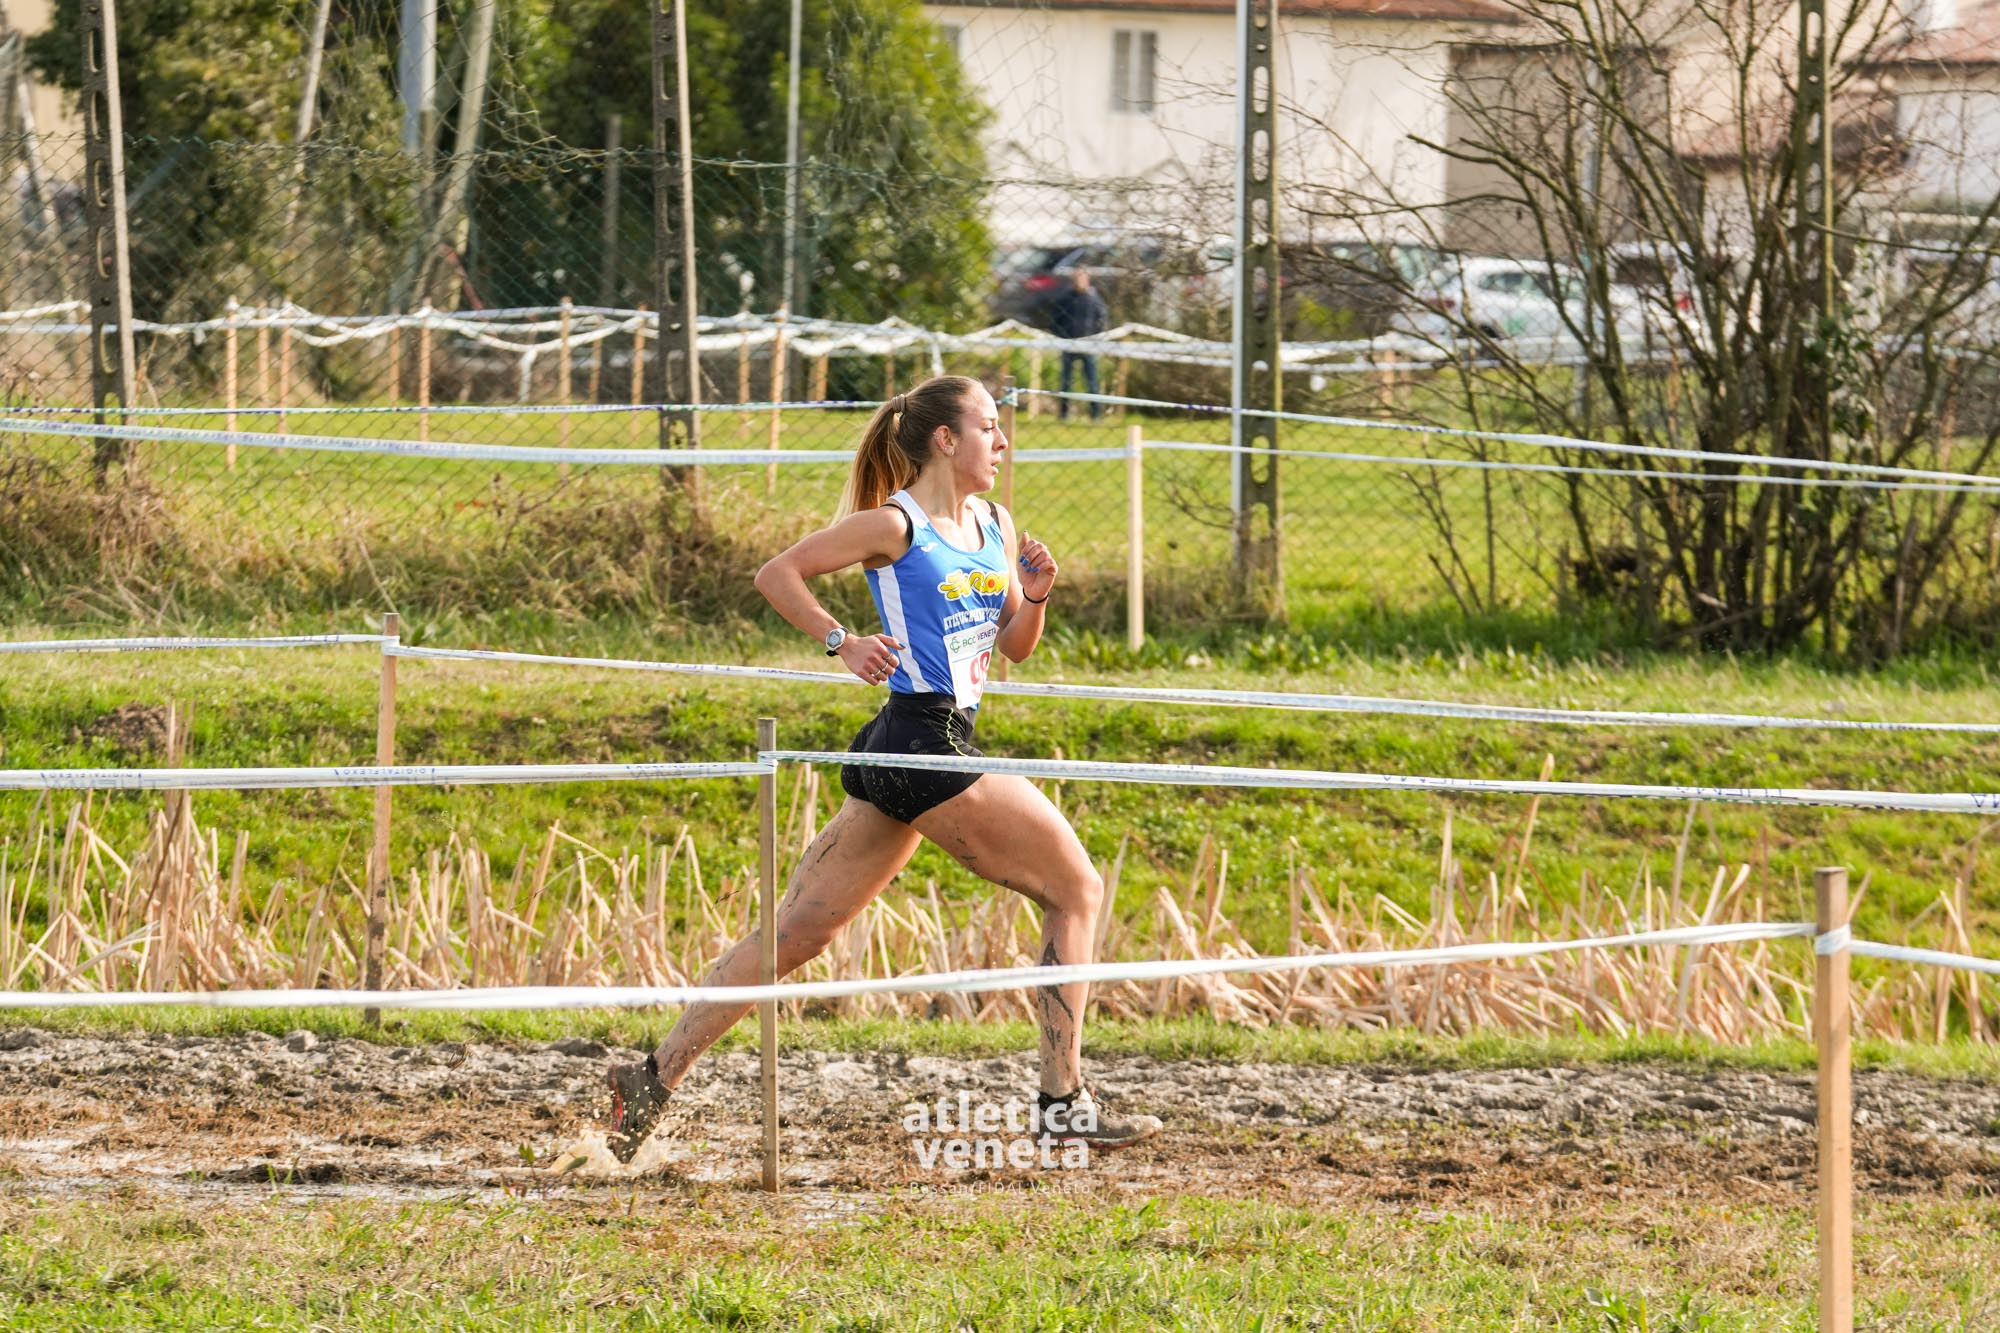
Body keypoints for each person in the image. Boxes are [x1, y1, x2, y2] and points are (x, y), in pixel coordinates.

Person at [605, 373, 1162, 1163]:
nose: (1003, 442)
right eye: (990, 427)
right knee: (1077, 888)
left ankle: (650, 1078)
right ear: (946, 439)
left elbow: (1014, 645)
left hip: (911, 746)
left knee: (799, 931)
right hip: (921, 740)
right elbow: (777, 573)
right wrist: (843, 642)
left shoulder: (996, 524)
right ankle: (1062, 1105)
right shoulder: (895, 524)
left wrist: (1035, 596)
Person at [1047, 269, 1109, 421]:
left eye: (1082, 279)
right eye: (1077, 279)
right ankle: (1064, 414)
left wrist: (1095, 338)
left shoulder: (1094, 299)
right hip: (1068, 344)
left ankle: (1095, 415)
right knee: (1066, 382)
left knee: (1092, 382)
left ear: (1088, 280)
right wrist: (1062, 336)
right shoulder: (1065, 298)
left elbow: (1102, 319)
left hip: (1089, 346)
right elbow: (1055, 319)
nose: (1079, 282)